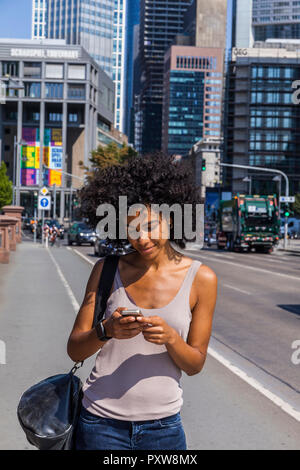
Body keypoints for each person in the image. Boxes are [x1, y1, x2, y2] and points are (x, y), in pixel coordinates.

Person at [67, 154, 218, 450]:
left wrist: (172, 339)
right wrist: (106, 330)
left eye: (150, 226)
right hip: (100, 424)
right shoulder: (107, 270)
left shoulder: (202, 279)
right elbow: (74, 350)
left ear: (171, 218)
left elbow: (195, 364)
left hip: (164, 429)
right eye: (132, 230)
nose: (142, 239)